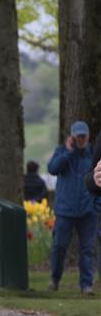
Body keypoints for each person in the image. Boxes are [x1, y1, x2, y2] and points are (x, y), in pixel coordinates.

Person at [47, 120, 96, 295]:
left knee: (87, 250)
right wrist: (67, 153)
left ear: (88, 136)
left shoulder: (93, 155)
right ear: (72, 137)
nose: (81, 139)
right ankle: (55, 279)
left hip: (87, 211)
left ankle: (86, 285)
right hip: (65, 211)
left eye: (84, 136)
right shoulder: (62, 152)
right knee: (59, 246)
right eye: (78, 136)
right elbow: (52, 169)